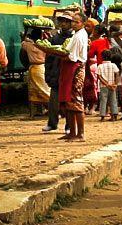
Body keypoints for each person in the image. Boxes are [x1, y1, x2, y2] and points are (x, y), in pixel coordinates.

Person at [59, 13, 88, 141]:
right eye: (73, 21)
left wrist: (59, 54)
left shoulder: (79, 36)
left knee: (76, 101)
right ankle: (72, 132)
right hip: (72, 68)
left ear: (82, 23)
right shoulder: (76, 35)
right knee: (69, 101)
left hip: (75, 69)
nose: (73, 24)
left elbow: (72, 56)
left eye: (77, 22)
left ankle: (80, 133)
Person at [43, 14, 74, 133]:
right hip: (56, 73)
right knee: (53, 101)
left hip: (68, 73)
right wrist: (48, 73)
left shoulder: (74, 38)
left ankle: (69, 125)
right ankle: (52, 123)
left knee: (69, 101)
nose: (63, 24)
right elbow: (48, 57)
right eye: (61, 21)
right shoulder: (55, 38)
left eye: (65, 22)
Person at [21, 28, 50, 119]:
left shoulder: (27, 45)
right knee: (45, 91)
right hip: (42, 68)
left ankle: (32, 114)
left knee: (32, 92)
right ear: (41, 36)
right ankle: (54, 110)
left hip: (32, 68)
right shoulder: (44, 45)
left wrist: (25, 32)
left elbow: (23, 41)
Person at [83, 19, 100, 114]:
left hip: (93, 64)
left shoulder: (96, 39)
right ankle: (85, 105)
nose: (86, 28)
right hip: (85, 63)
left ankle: (93, 106)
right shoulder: (85, 37)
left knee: (93, 85)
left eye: (88, 26)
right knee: (85, 85)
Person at [97, 50, 120, 121]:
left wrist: (106, 83)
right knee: (113, 100)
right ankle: (114, 115)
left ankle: (102, 116)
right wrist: (115, 84)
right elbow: (117, 74)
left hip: (104, 86)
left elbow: (99, 76)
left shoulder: (100, 66)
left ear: (102, 57)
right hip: (113, 86)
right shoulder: (114, 65)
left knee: (103, 100)